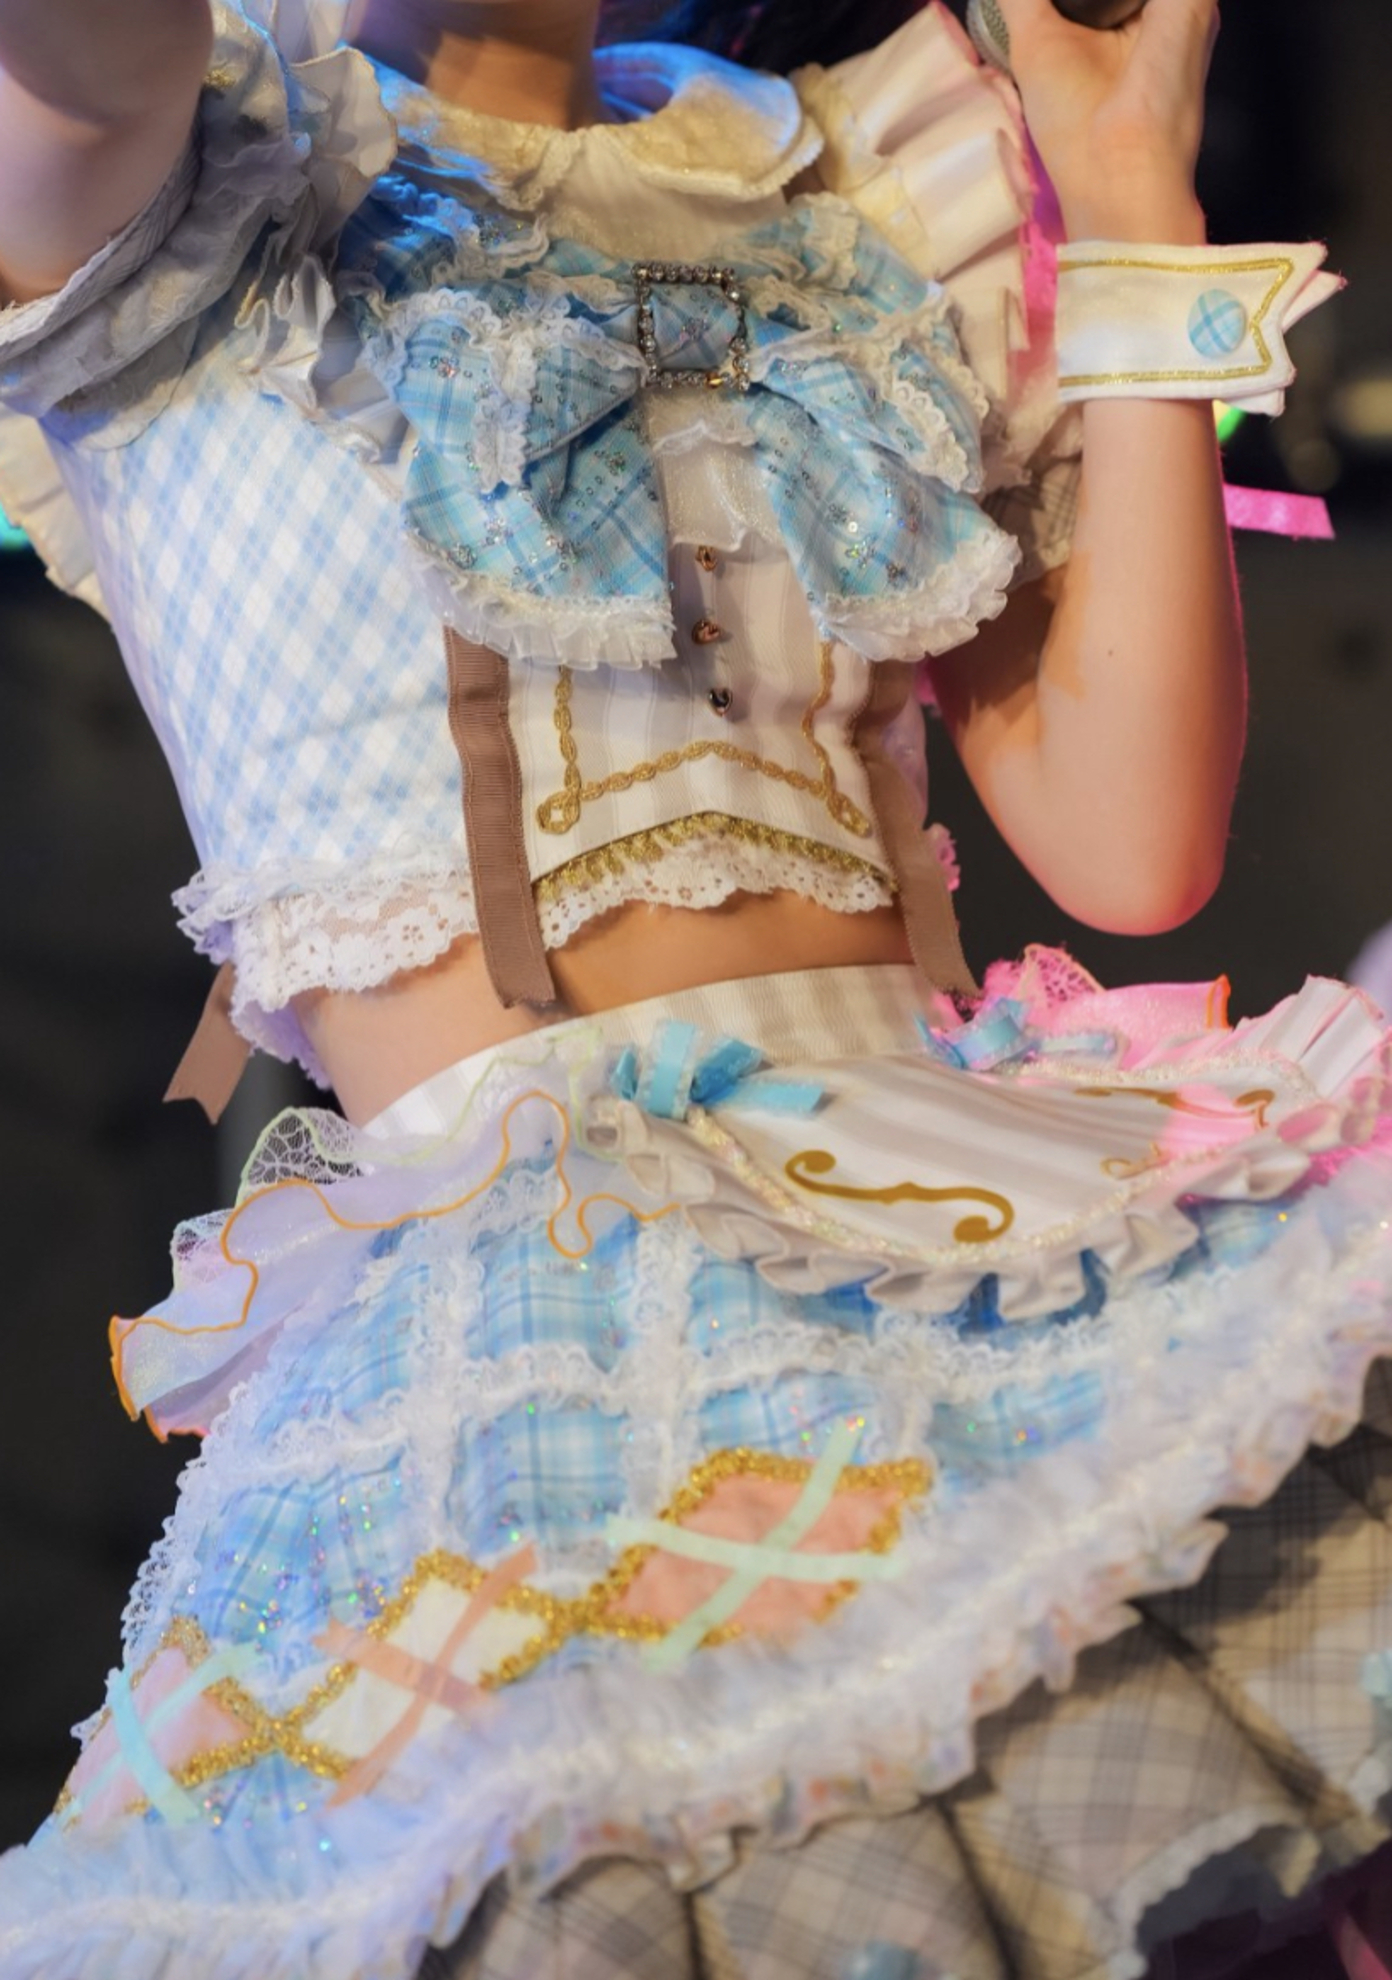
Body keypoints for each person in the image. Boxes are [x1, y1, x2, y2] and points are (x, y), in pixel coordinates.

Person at [0, 0, 1388, 1974]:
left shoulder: (857, 181)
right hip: (545, 1360)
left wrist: (1125, 177)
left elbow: (1132, 834)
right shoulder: (179, 159)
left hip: (970, 1251)